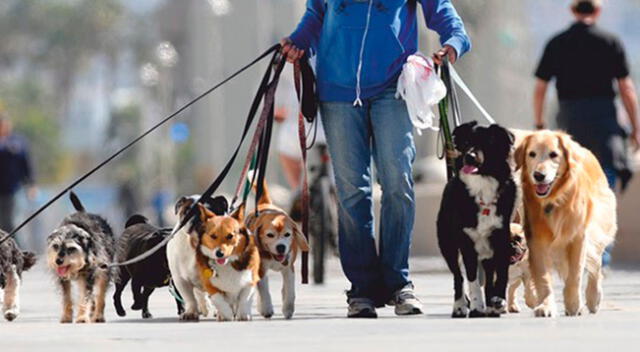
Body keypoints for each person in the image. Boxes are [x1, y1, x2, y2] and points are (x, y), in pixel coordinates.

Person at [282, 0, 471, 318]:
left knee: (398, 181)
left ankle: (399, 282)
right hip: (337, 92)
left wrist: (453, 42)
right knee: (352, 190)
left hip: (393, 87)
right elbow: (316, 15)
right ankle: (362, 288)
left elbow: (441, 11)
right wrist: (297, 42)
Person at [533, 0, 640, 191]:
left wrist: (540, 124)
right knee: (605, 173)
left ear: (573, 10)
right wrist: (635, 128)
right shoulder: (611, 42)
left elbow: (541, 88)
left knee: (571, 171)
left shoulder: (557, 42)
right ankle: (602, 212)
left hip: (569, 119)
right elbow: (627, 89)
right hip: (604, 121)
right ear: (598, 11)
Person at [0, 114, 37, 232]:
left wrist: (31, 184)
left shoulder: (17, 141)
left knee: (10, 223)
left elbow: (26, 164)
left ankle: (16, 249)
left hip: (11, 190)